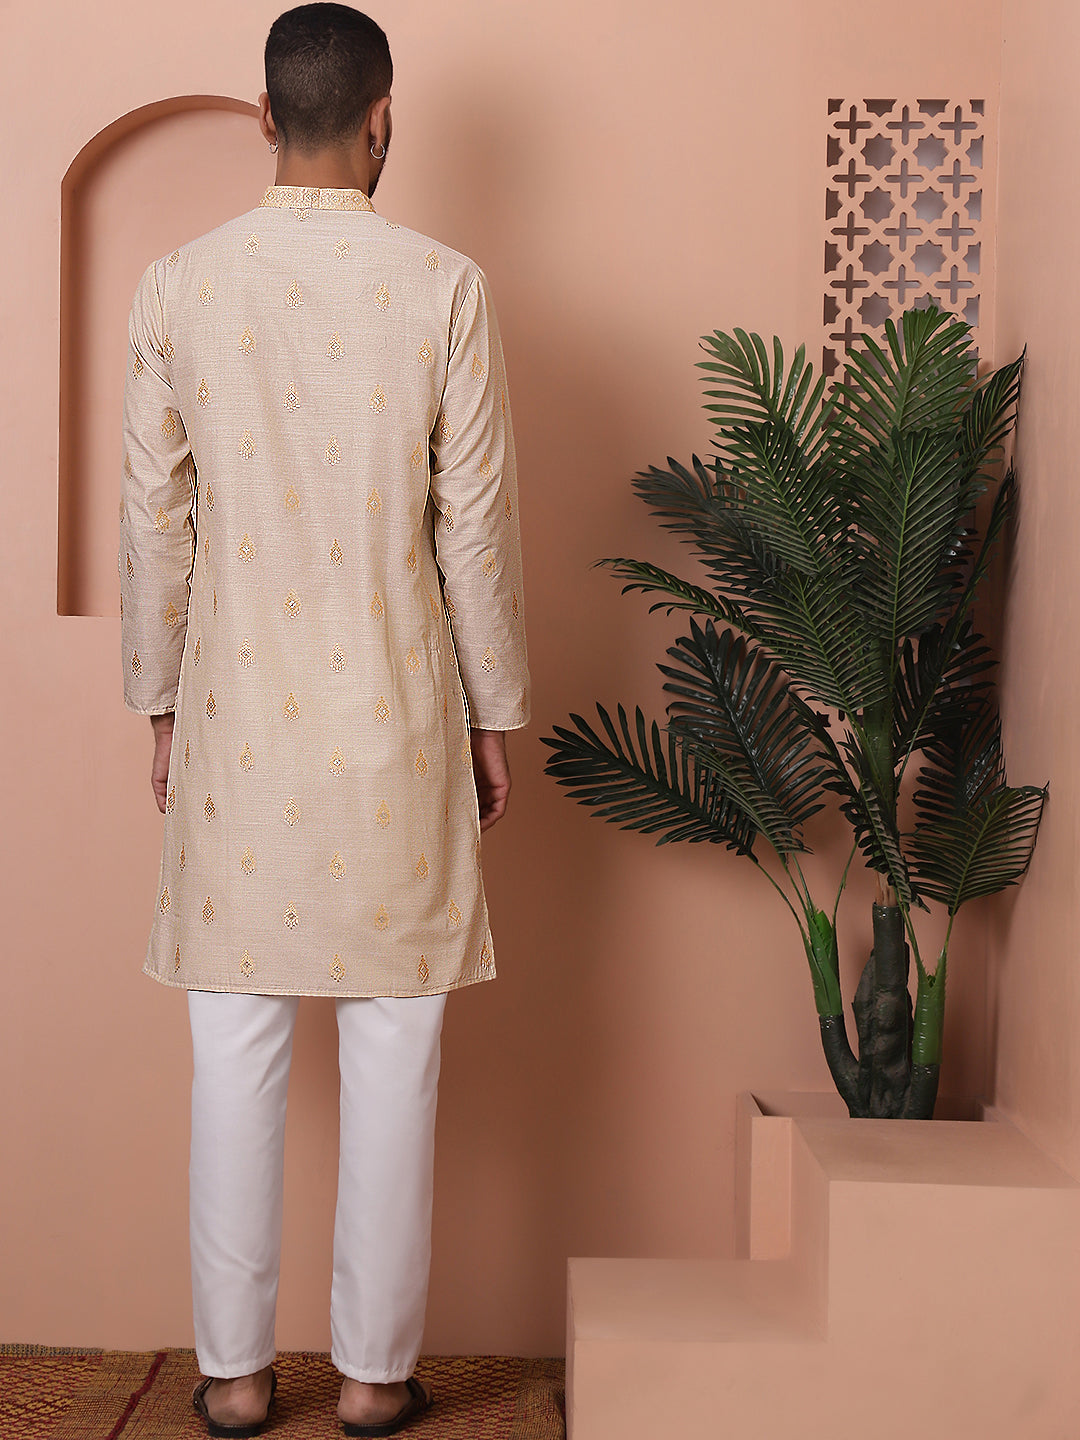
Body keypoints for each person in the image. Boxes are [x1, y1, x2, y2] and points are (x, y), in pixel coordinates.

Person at [118, 5, 531, 1435]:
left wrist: (160, 704)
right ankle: (370, 1380)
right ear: (381, 118)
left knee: (231, 1055)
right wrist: (492, 715)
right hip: (399, 718)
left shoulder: (177, 285)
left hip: (237, 725)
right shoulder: (445, 287)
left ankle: (234, 1379)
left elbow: (154, 523)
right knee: (395, 1057)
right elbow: (475, 529)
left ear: (263, 117)